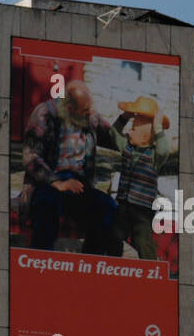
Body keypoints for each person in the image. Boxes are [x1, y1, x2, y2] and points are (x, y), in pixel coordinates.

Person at [21, 79, 119, 255]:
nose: (89, 114)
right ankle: (41, 261)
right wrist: (56, 182)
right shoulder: (45, 114)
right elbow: (30, 156)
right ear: (70, 109)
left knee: (107, 208)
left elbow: (113, 138)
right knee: (46, 206)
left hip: (78, 184)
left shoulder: (90, 115)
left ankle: (90, 264)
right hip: (47, 181)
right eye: (84, 111)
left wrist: (125, 121)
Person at [107, 95, 173, 265]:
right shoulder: (128, 149)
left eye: (134, 129)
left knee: (143, 241)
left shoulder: (154, 156)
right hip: (123, 204)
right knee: (114, 235)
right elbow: (113, 133)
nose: (129, 131)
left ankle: (151, 267)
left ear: (145, 137)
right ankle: (112, 263)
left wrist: (158, 128)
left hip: (142, 210)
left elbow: (164, 150)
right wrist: (125, 117)